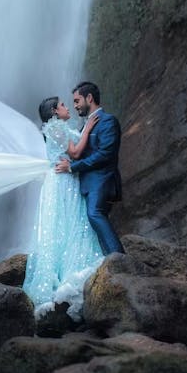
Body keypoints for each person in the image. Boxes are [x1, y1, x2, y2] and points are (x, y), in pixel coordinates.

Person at [22, 96, 105, 317]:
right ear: (54, 112)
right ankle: (63, 279)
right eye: (62, 105)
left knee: (67, 225)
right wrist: (87, 129)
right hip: (61, 183)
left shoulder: (59, 126)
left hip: (66, 180)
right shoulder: (56, 126)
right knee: (66, 224)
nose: (67, 107)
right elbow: (75, 152)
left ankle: (66, 272)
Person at [55, 81, 125, 255]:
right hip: (87, 184)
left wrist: (73, 167)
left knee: (95, 214)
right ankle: (110, 259)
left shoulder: (108, 121)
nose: (75, 106)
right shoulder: (84, 126)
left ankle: (119, 258)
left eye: (77, 101)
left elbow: (105, 154)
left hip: (102, 180)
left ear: (89, 98)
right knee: (92, 221)